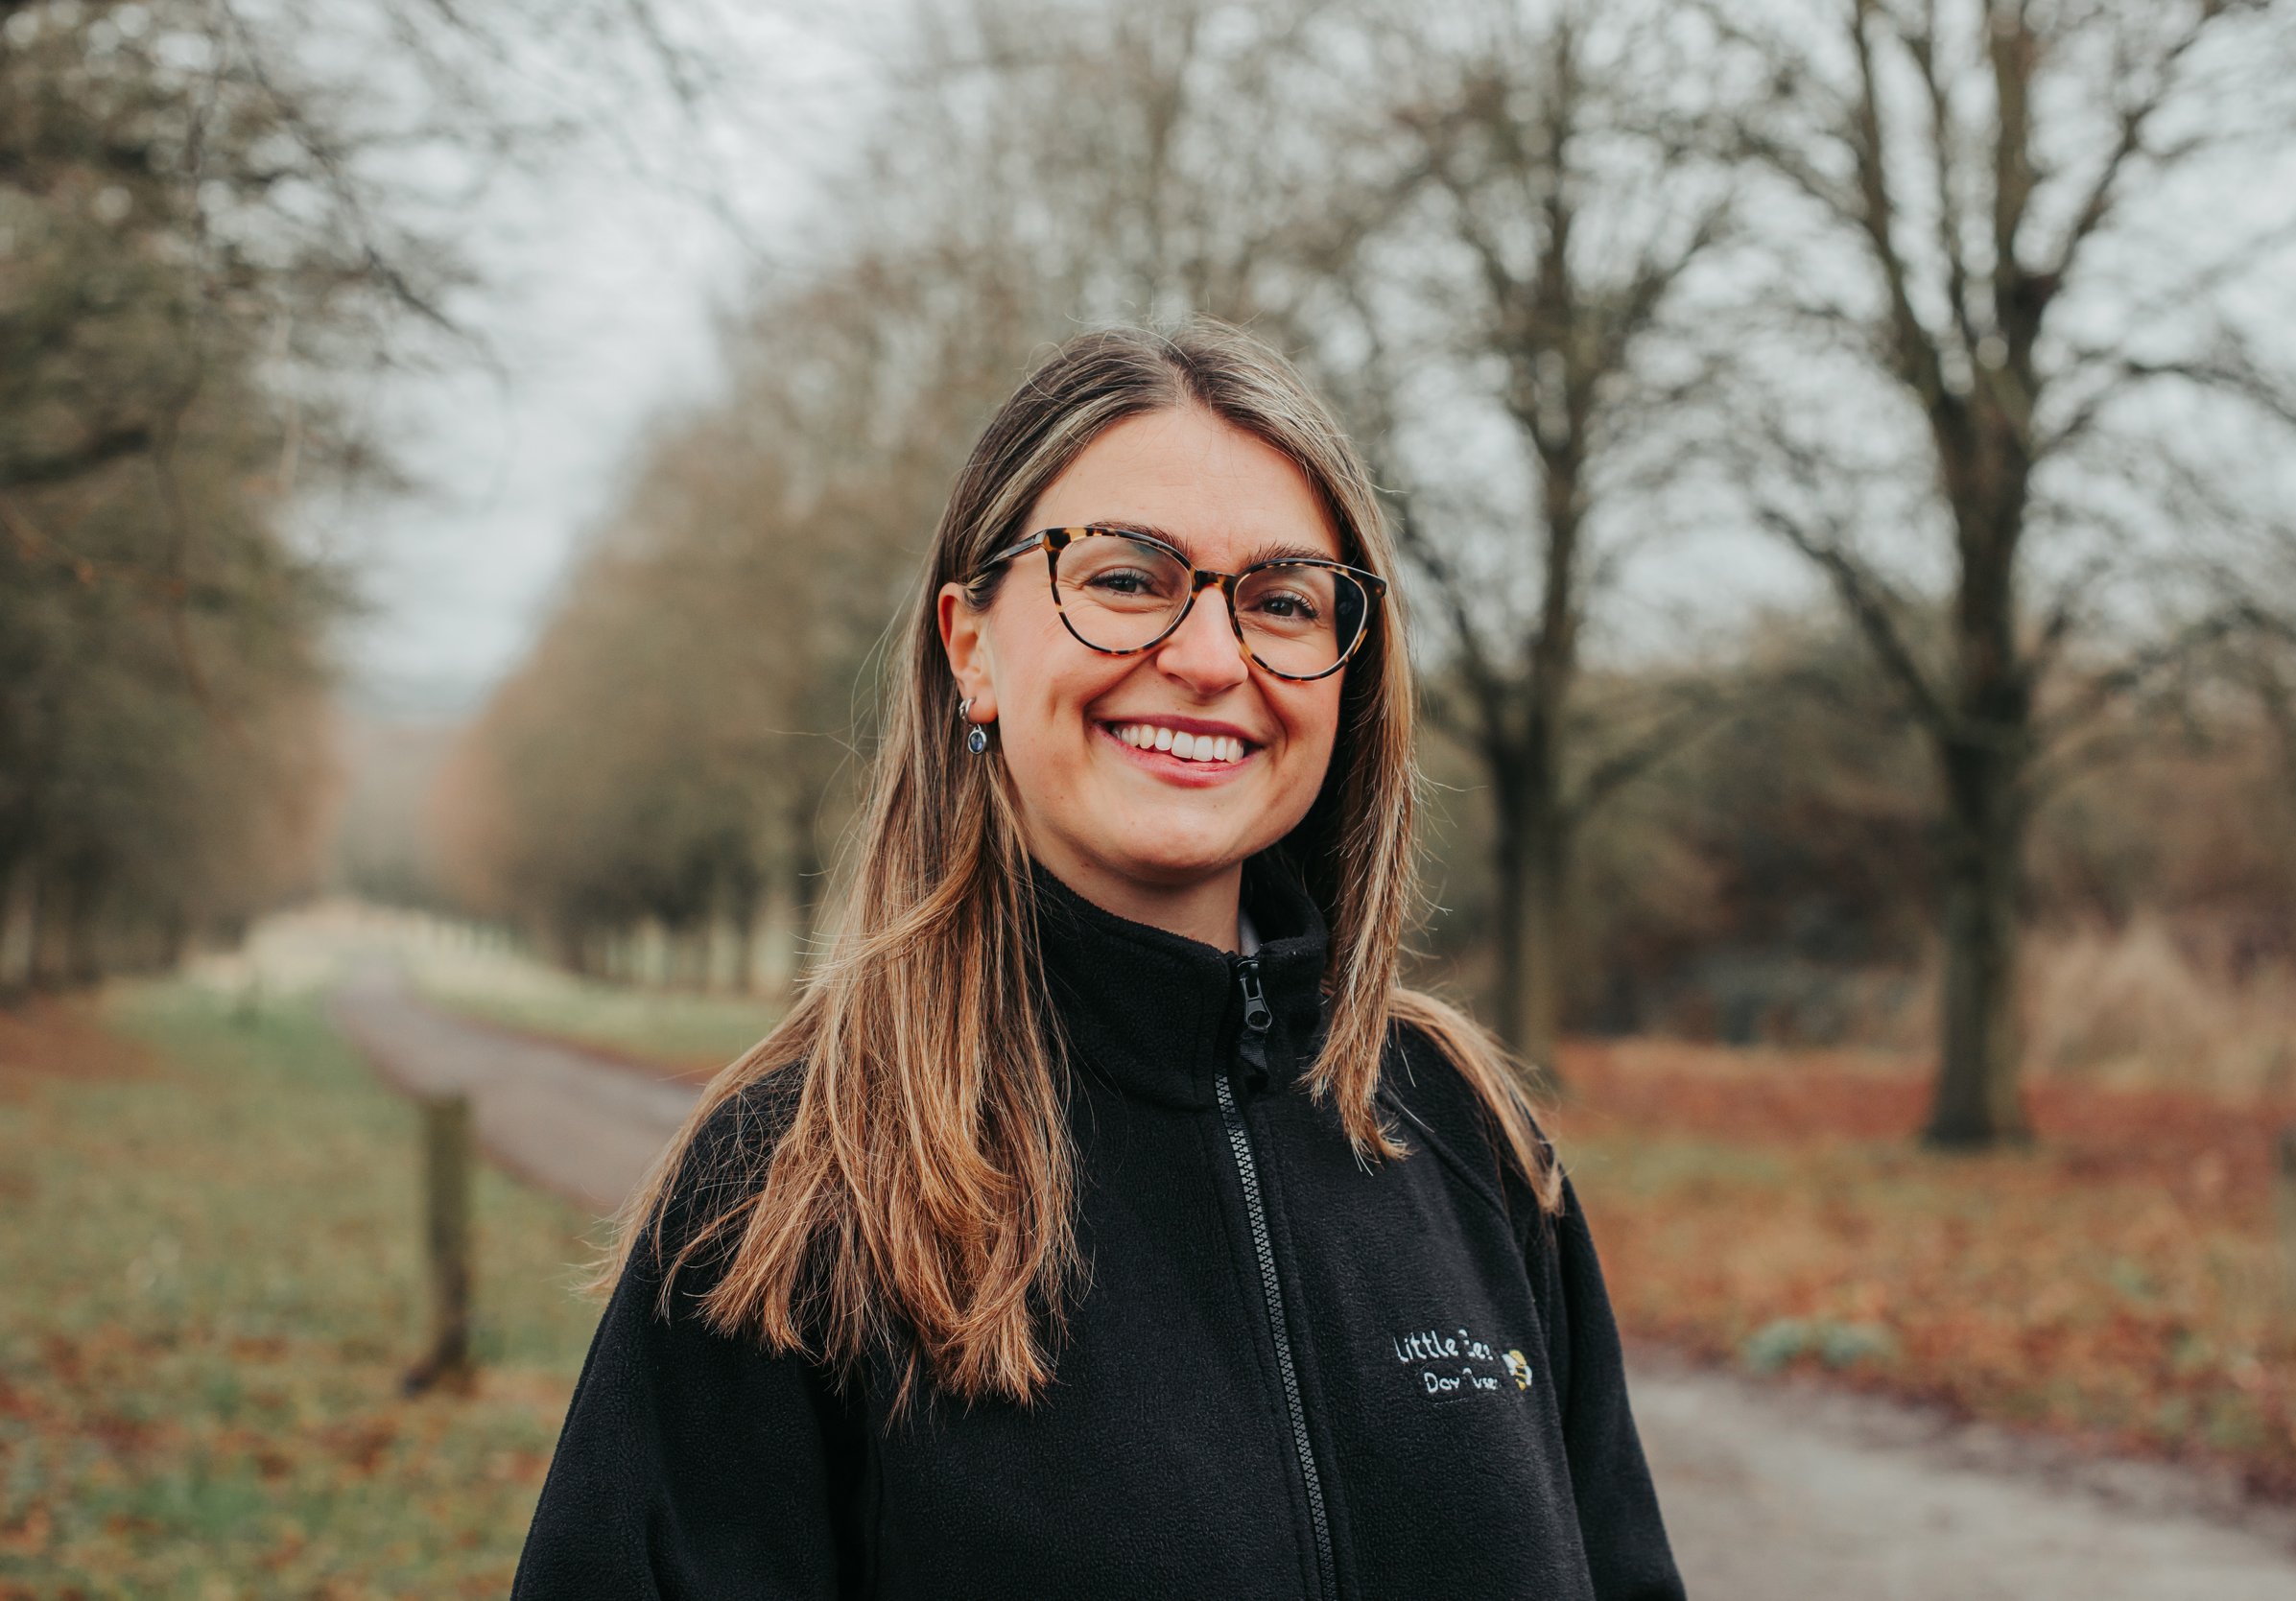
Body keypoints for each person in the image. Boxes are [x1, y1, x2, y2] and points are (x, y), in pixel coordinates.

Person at [510, 321, 1683, 1600]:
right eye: (1127, 578)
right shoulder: (785, 1195)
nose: (1210, 658)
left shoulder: (1468, 1137)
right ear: (971, 645)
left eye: (1283, 598)